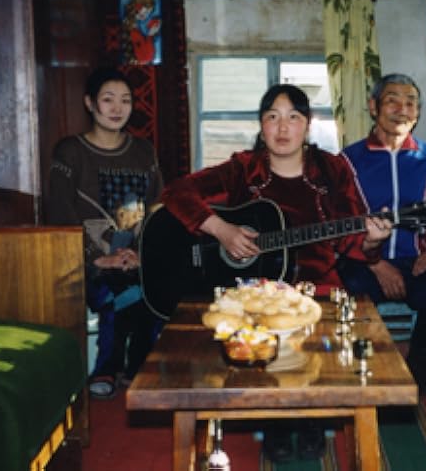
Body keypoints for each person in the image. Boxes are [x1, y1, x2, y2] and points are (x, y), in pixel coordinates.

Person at [160, 84, 392, 463]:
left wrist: (371, 242)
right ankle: (275, 420)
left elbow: (352, 239)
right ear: (261, 125)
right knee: (260, 332)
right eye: (273, 117)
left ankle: (312, 416)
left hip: (318, 284)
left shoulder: (332, 170)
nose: (283, 128)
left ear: (308, 124)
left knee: (319, 341)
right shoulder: (243, 169)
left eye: (293, 118)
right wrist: (221, 229)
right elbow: (176, 191)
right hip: (255, 289)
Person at [338, 73, 426, 396]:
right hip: (364, 262)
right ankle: (358, 367)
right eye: (392, 101)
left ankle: (419, 365)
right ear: (373, 107)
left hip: (418, 260)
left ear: (418, 112)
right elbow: (337, 223)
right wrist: (375, 264)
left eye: (411, 103)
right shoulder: (347, 162)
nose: (402, 110)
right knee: (344, 291)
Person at [46, 66, 164, 400]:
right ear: (90, 103)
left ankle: (136, 366)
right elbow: (61, 215)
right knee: (122, 290)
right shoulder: (70, 151)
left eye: (125, 100)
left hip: (135, 257)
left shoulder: (144, 151)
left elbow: (156, 209)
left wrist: (140, 253)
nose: (117, 108)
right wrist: (99, 258)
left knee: (157, 287)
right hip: (85, 261)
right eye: (108, 99)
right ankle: (111, 368)